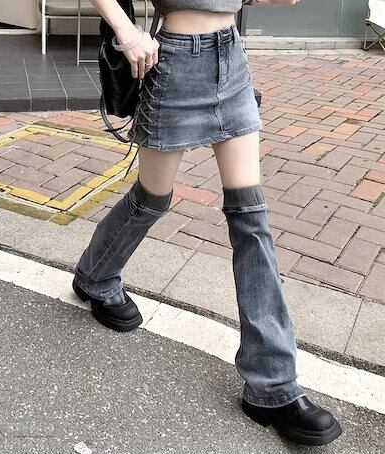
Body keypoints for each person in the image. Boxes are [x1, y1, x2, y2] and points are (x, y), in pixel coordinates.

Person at [72, 0, 342, 446]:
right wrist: (127, 32)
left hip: (231, 59)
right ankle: (95, 275)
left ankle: (272, 387)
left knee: (251, 219)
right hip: (174, 65)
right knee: (151, 200)